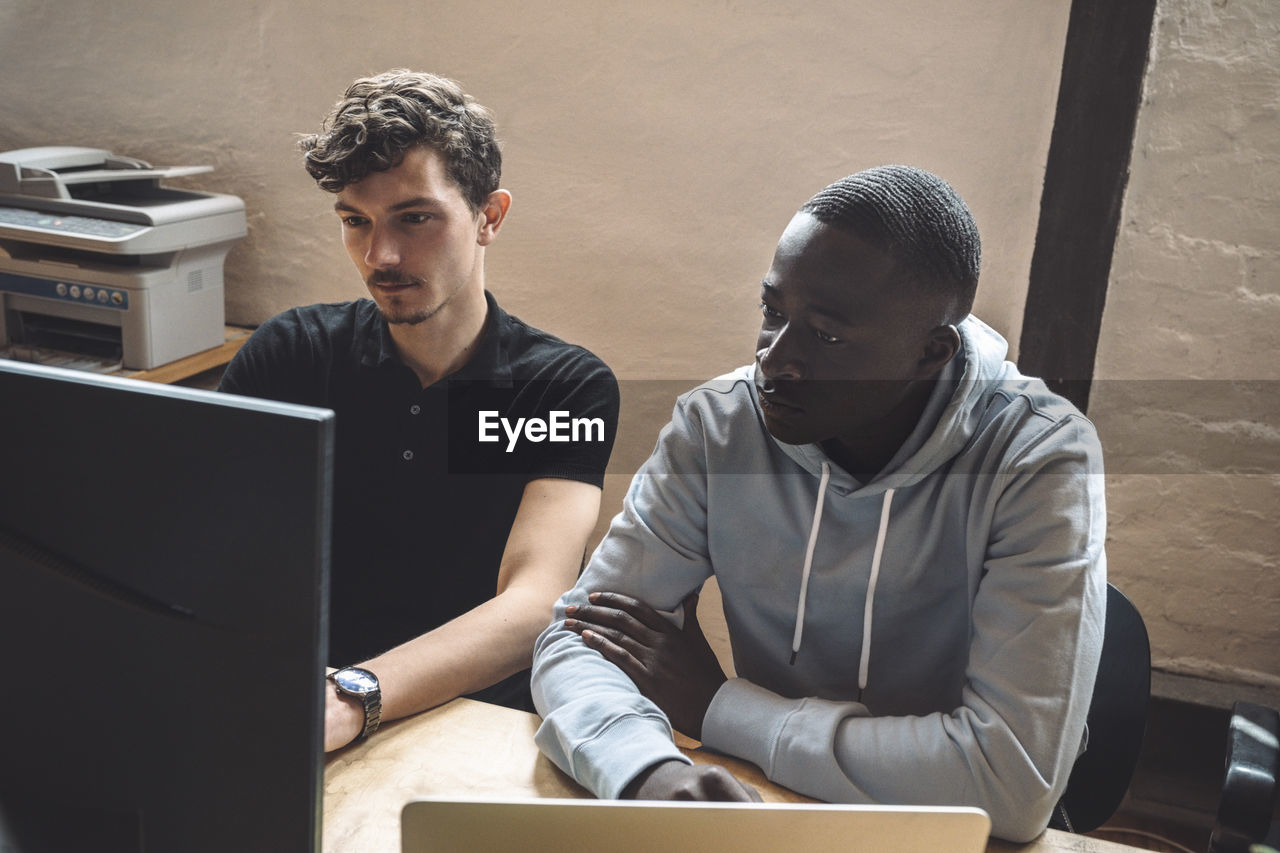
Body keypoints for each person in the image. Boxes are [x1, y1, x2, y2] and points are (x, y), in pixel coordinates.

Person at [530, 165, 1105, 842]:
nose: (775, 359)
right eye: (774, 312)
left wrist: (720, 707)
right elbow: (580, 640)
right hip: (766, 804)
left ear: (930, 352)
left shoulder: (1037, 459)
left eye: (827, 336)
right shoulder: (719, 427)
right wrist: (644, 769)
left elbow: (1010, 784)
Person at [219, 70, 618, 752]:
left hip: (471, 723)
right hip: (298, 705)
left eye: (415, 217)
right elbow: (205, 541)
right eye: (356, 221)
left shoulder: (563, 388)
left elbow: (532, 608)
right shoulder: (290, 351)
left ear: (489, 216)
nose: (381, 256)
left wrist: (355, 696)